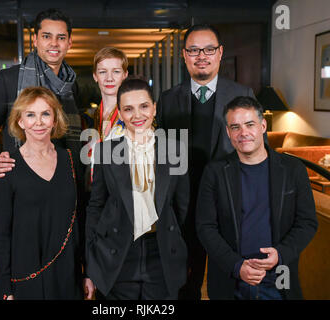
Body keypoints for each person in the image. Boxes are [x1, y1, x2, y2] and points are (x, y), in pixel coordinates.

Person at [156, 23, 256, 299]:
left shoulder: (243, 96)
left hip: (229, 207)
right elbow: (161, 158)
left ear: (220, 53)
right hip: (183, 208)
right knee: (184, 285)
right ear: (184, 55)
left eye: (209, 49)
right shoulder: (167, 100)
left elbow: (258, 154)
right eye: (194, 50)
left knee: (226, 285)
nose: (202, 55)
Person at [196, 96, 318, 300]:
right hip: (231, 279)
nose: (243, 133)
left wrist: (281, 255)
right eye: (235, 127)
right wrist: (236, 265)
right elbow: (205, 226)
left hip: (279, 277)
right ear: (228, 132)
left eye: (249, 124)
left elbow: (307, 222)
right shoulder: (215, 172)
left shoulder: (293, 170)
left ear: (263, 125)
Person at [86, 78, 189, 300]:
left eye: (144, 106)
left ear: (154, 108)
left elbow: (182, 209)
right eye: (128, 109)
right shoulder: (105, 151)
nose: (137, 115)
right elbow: (96, 206)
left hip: (161, 253)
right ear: (121, 114)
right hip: (117, 253)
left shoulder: (175, 150)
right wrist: (91, 262)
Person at [0, 86, 95, 300]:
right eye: (30, 115)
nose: (38, 122)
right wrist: (5, 289)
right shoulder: (7, 166)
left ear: (55, 120)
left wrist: (88, 272)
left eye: (45, 114)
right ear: (20, 121)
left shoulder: (71, 160)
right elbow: (1, 234)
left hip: (69, 275)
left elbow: (82, 221)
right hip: (26, 279)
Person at [0, 8, 82, 180]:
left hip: (65, 176)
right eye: (46, 36)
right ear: (35, 40)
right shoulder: (8, 79)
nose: (54, 43)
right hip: (21, 176)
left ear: (69, 43)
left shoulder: (71, 83)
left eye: (61, 38)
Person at [92, 46, 128, 141]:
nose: (109, 78)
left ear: (125, 75)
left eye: (116, 71)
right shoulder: (88, 119)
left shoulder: (134, 115)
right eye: (103, 72)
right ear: (95, 76)